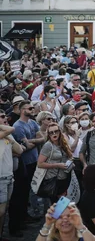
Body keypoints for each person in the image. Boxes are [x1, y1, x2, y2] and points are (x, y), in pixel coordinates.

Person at [8, 100, 41, 237]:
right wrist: (33, 141)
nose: (32, 109)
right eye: (29, 108)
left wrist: (31, 140)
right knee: (20, 194)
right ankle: (16, 224)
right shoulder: (18, 126)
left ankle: (24, 217)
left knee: (26, 192)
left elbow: (42, 138)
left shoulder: (32, 122)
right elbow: (26, 147)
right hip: (24, 163)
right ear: (22, 110)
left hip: (34, 161)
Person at [37, 121, 74, 202]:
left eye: (56, 131)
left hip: (65, 177)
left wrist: (70, 161)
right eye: (51, 132)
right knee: (57, 205)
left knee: (63, 203)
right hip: (54, 179)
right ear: (48, 134)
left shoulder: (62, 142)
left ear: (59, 132)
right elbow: (40, 164)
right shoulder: (48, 145)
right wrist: (57, 165)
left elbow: (69, 155)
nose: (54, 134)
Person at [0, 110, 22, 240]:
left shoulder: (7, 136)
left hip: (9, 177)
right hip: (1, 178)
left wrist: (8, 137)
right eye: (2, 117)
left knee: (4, 210)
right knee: (1, 211)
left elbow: (19, 150)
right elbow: (12, 128)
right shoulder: (7, 131)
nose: (5, 118)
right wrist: (6, 130)